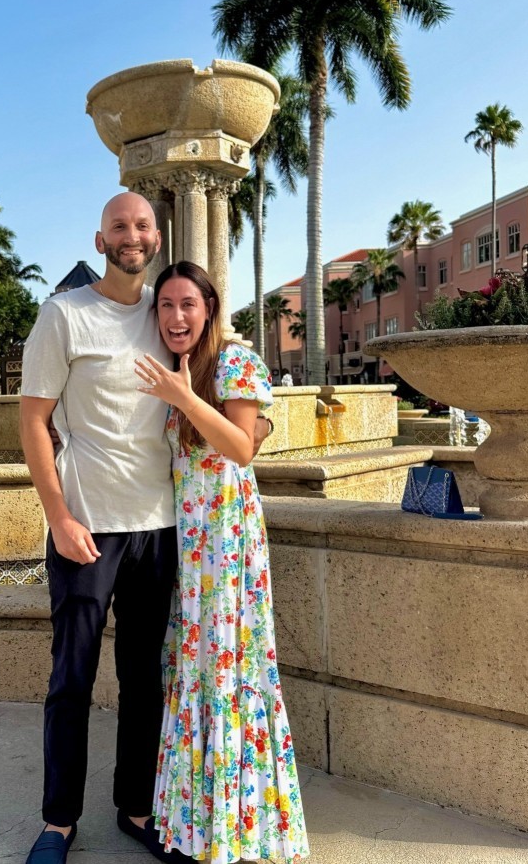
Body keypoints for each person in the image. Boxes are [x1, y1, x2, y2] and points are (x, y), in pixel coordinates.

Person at [20, 192, 182, 864]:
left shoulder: (169, 313)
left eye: (142, 225)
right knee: (72, 678)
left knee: (145, 681)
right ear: (100, 240)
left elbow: (220, 376)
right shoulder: (64, 314)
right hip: (86, 527)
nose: (132, 235)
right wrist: (57, 517)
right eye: (120, 226)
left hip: (159, 526)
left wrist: (255, 420)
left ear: (156, 238)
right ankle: (58, 821)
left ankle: (136, 808)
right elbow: (33, 421)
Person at [134, 262, 309, 864]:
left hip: (228, 542)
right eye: (166, 305)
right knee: (194, 667)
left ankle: (236, 828)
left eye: (188, 304)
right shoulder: (169, 371)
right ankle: (196, 825)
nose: (176, 316)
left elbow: (239, 447)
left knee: (230, 667)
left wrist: (184, 398)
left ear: (208, 308)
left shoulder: (235, 362)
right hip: (188, 543)